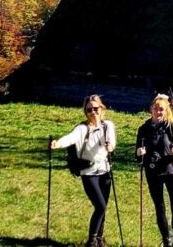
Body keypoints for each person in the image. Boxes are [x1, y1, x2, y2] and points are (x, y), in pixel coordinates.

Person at [50, 95, 117, 247]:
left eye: (96, 108)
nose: (93, 112)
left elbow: (112, 141)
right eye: (89, 110)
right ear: (85, 112)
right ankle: (91, 241)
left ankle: (100, 239)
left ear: (102, 109)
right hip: (88, 171)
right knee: (100, 206)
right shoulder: (81, 129)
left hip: (105, 171)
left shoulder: (108, 126)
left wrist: (110, 147)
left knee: (103, 207)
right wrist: (57, 143)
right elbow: (70, 138)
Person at [137, 94, 173, 247]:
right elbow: (137, 154)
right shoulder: (143, 129)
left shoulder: (171, 127)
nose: (158, 111)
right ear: (151, 109)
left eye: (161, 109)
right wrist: (140, 153)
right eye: (155, 108)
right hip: (153, 172)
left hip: (171, 170)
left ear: (166, 111)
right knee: (160, 206)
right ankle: (166, 240)